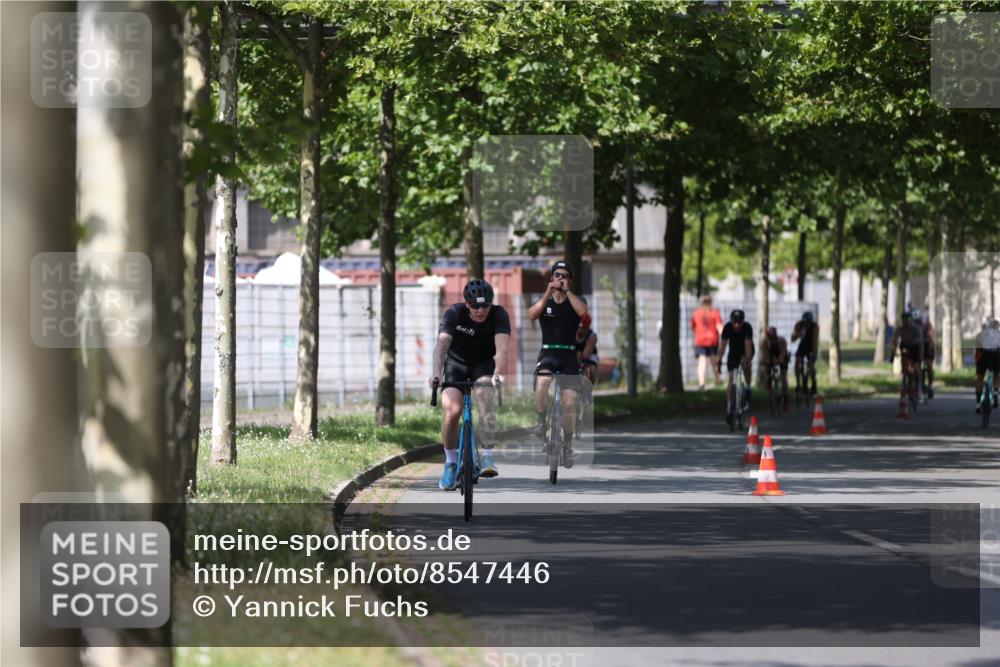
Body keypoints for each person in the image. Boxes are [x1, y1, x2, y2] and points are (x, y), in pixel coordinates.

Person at [429, 279, 509, 490]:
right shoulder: (454, 313)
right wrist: (436, 373)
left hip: (482, 365)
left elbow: (502, 350)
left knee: (485, 396)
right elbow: (441, 346)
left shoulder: (499, 314)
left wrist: (499, 374)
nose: (481, 310)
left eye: (485, 305)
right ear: (467, 304)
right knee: (452, 409)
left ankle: (488, 456)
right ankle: (450, 462)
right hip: (456, 364)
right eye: (475, 306)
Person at [528, 260, 588, 468]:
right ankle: (541, 422)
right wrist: (547, 294)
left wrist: (567, 292)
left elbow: (583, 313)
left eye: (564, 275)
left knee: (569, 402)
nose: (560, 279)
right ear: (551, 278)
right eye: (557, 275)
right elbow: (532, 315)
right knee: (543, 382)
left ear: (570, 279)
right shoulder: (544, 301)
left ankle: (568, 445)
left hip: (569, 355)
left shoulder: (576, 299)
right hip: (548, 353)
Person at [716, 309, 754, 410]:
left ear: (743, 321)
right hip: (733, 351)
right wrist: (719, 360)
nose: (737, 325)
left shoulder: (747, 327)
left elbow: (748, 347)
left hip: (745, 349)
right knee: (731, 378)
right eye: (734, 322)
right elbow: (722, 346)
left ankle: (748, 386)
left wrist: (747, 359)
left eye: (739, 322)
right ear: (731, 321)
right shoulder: (727, 327)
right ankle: (729, 406)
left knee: (746, 366)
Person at [691, 294, 723, 390]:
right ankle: (717, 380)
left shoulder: (696, 313)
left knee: (702, 362)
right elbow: (719, 327)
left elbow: (693, 327)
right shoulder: (715, 313)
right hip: (712, 340)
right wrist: (725, 336)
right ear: (711, 302)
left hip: (700, 340)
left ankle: (702, 383)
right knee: (715, 362)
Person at [889, 310, 923, 400]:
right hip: (905, 347)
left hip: (915, 347)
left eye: (908, 320)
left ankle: (918, 388)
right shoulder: (899, 329)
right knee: (905, 364)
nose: (906, 323)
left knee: (916, 368)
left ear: (911, 320)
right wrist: (892, 354)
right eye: (904, 321)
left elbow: (920, 344)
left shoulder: (916, 329)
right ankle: (905, 379)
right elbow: (895, 342)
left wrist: (920, 356)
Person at [759, 325, 790, 411]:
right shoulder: (764, 341)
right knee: (766, 366)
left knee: (783, 376)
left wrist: (780, 360)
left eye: (773, 336)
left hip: (781, 357)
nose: (771, 338)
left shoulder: (781, 340)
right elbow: (764, 354)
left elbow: (783, 352)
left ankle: (785, 398)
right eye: (769, 337)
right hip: (770, 356)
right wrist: (766, 362)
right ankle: (768, 379)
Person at [974, 318, 1000, 413]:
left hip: (984, 354)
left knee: (980, 376)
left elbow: (977, 349)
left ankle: (977, 404)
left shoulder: (980, 335)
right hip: (996, 354)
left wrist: (977, 361)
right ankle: (996, 392)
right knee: (997, 373)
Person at [791, 310, 819, 396]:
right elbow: (792, 339)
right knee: (797, 362)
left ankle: (813, 384)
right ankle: (798, 384)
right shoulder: (799, 325)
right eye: (805, 322)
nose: (807, 324)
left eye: (808, 322)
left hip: (811, 346)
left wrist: (814, 354)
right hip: (802, 346)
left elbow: (814, 341)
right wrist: (797, 334)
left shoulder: (815, 327)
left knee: (810, 366)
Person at [913, 308, 936, 399]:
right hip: (917, 344)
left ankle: (930, 386)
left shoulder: (926, 325)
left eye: (918, 321)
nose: (916, 323)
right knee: (916, 366)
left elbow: (931, 338)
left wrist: (932, 348)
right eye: (915, 322)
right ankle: (917, 386)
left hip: (927, 345)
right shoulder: (912, 326)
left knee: (929, 366)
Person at [575, 312, 599, 387]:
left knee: (591, 370)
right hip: (575, 355)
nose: (580, 329)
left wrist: (578, 355)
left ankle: (589, 388)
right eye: (579, 326)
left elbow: (585, 355)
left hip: (590, 355)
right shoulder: (572, 333)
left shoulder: (592, 336)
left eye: (583, 327)